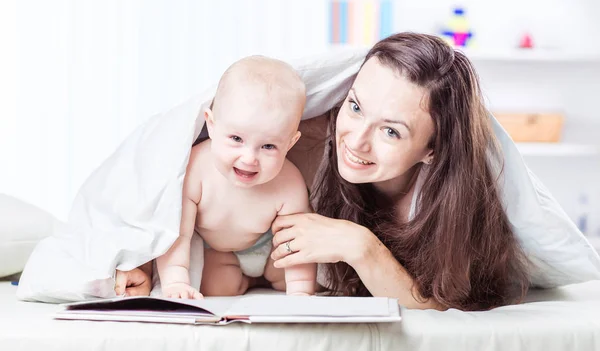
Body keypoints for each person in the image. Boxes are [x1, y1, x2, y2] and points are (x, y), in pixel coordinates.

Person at [116, 33, 529, 311]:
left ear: (432, 151)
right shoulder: (307, 132)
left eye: (390, 130)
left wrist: (361, 247)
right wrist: (142, 262)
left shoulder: (447, 207)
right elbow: (166, 189)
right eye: (354, 106)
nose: (356, 140)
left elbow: (442, 302)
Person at [155, 55, 315, 298]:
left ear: (290, 143)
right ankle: (247, 283)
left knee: (295, 274)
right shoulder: (195, 169)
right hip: (218, 250)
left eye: (269, 146)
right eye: (237, 139)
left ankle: (269, 280)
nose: (249, 158)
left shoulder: (289, 183)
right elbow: (178, 232)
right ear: (211, 125)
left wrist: (301, 291)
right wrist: (175, 281)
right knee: (217, 288)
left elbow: (295, 241)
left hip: (268, 246)